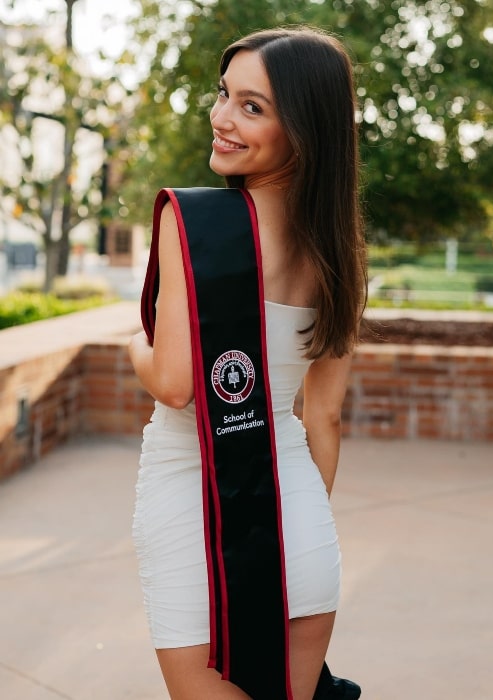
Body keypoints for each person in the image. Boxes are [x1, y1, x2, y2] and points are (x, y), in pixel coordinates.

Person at [129, 25, 367, 700]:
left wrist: (131, 347)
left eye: (252, 107)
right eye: (225, 94)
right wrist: (288, 525)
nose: (222, 117)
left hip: (190, 501)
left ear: (304, 128)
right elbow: (322, 415)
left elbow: (176, 385)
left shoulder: (198, 222)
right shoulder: (339, 249)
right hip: (296, 520)